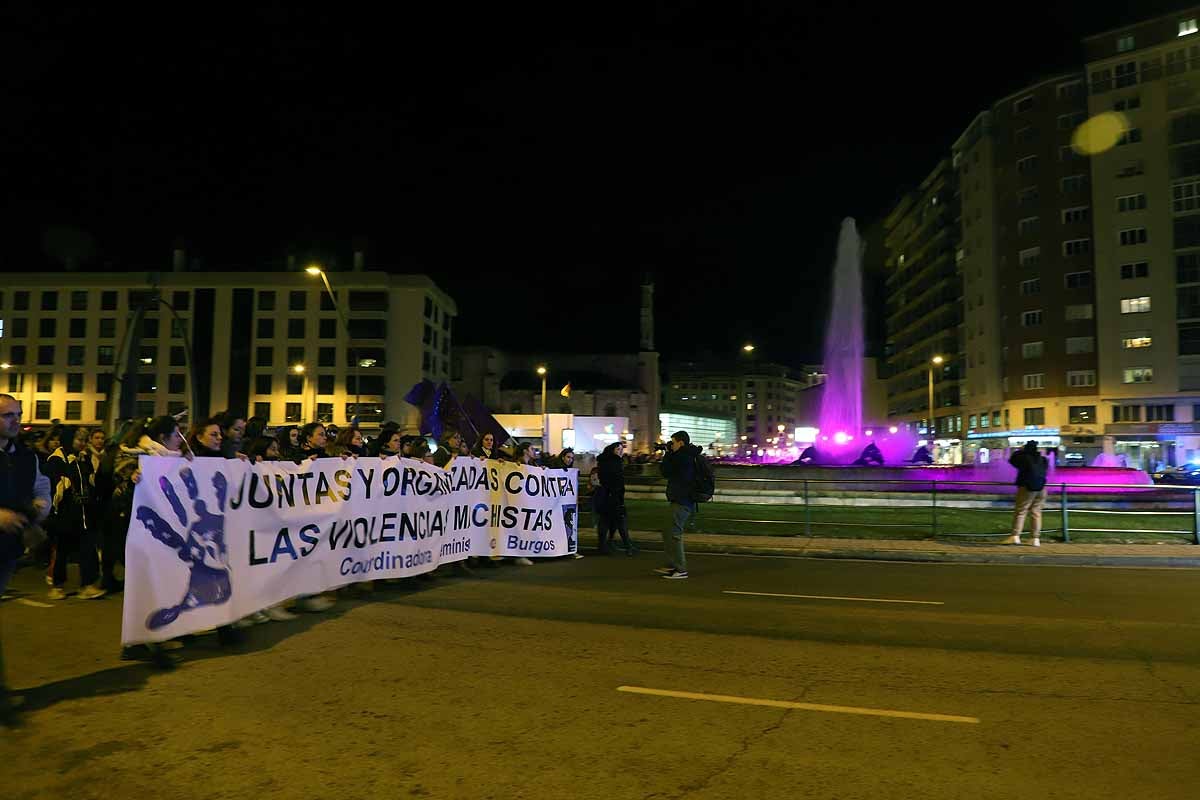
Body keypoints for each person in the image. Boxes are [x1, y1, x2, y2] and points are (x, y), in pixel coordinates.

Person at [0, 394, 51, 722]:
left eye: (17, 414)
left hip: (6, 551)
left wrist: (39, 509)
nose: (16, 421)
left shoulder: (25, 457)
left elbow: (41, 489)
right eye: (7, 416)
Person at [46, 426, 103, 600]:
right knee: (63, 550)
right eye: (79, 440)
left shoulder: (83, 458)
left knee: (87, 548)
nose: (82, 443)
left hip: (84, 512)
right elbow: (55, 485)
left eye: (85, 440)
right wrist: (70, 467)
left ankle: (87, 585)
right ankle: (57, 585)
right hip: (65, 513)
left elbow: (90, 480)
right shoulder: (57, 459)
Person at [658, 430, 703, 579]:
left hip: (682, 500)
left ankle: (680, 569)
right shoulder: (685, 455)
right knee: (667, 531)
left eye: (673, 442)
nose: (672, 445)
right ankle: (672, 565)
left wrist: (667, 453)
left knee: (674, 534)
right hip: (681, 499)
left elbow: (665, 471)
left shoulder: (683, 456)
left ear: (681, 443)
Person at [1007, 440, 1049, 547]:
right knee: (1036, 512)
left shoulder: (1023, 458)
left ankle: (1015, 536)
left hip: (1027, 487)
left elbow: (1012, 460)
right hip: (1041, 488)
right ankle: (1035, 538)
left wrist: (1019, 451)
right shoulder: (1043, 459)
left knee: (1021, 511)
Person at [596, 441, 635, 556]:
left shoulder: (604, 462)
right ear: (612, 450)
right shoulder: (615, 462)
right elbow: (617, 481)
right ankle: (628, 546)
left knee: (607, 521)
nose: (621, 451)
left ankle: (604, 545)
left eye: (621, 449)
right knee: (620, 520)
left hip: (607, 496)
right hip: (613, 496)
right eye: (618, 449)